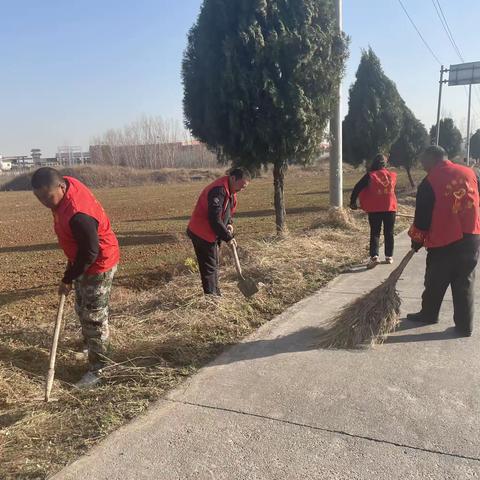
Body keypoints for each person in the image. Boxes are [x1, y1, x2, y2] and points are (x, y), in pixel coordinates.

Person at [31, 167, 120, 387]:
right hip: (82, 259)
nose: (44, 202)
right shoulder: (66, 185)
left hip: (98, 263)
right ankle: (91, 346)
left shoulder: (78, 214)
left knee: (94, 316)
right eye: (39, 197)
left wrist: (67, 278)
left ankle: (101, 367)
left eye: (46, 196)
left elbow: (90, 251)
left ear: (61, 187)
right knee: (82, 307)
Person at [408, 145, 480, 337]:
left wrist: (417, 241)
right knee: (464, 281)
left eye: (423, 159)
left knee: (435, 280)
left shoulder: (429, 181)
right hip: (471, 236)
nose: (421, 163)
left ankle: (429, 314)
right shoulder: (471, 173)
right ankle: (465, 326)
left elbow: (422, 217)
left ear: (433, 158)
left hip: (444, 239)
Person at [187, 167, 251, 296]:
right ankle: (212, 298)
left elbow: (226, 212)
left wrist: (229, 224)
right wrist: (228, 238)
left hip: (211, 232)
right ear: (233, 178)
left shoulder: (230, 191)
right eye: (242, 185)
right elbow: (214, 218)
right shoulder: (218, 190)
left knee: (213, 264)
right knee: (209, 267)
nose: (242, 189)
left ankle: (216, 293)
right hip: (202, 233)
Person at [350, 154, 398, 269]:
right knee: (389, 233)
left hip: (375, 209)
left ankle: (374, 257)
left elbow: (358, 187)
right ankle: (389, 256)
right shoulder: (391, 175)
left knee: (375, 233)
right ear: (385, 164)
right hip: (390, 208)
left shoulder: (370, 175)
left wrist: (353, 202)